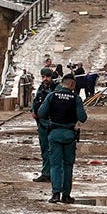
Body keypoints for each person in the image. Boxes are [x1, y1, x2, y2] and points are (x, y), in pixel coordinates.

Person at [36, 71, 87, 203]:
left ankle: (55, 194)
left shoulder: (52, 96)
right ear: (72, 85)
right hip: (69, 134)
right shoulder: (76, 98)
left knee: (55, 165)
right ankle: (66, 195)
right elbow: (82, 118)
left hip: (54, 133)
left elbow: (41, 112)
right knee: (68, 165)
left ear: (62, 84)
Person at [31, 66, 58, 183]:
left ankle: (53, 173)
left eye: (47, 77)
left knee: (53, 149)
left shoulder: (56, 89)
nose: (45, 79)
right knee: (44, 149)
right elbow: (36, 100)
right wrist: (33, 111)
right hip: (41, 122)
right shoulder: (41, 88)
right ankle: (46, 173)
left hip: (52, 122)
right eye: (43, 77)